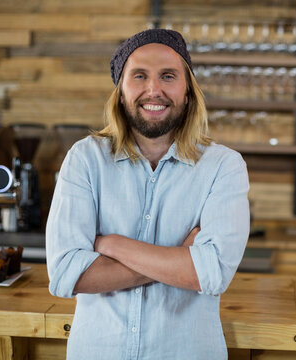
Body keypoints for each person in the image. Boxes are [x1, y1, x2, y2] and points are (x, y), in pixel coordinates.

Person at [45, 28, 250, 360]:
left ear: (188, 92)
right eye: (139, 76)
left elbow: (210, 274)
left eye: (168, 76)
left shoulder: (224, 166)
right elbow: (68, 274)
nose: (154, 90)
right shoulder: (85, 159)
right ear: (121, 92)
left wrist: (112, 245)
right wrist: (177, 260)